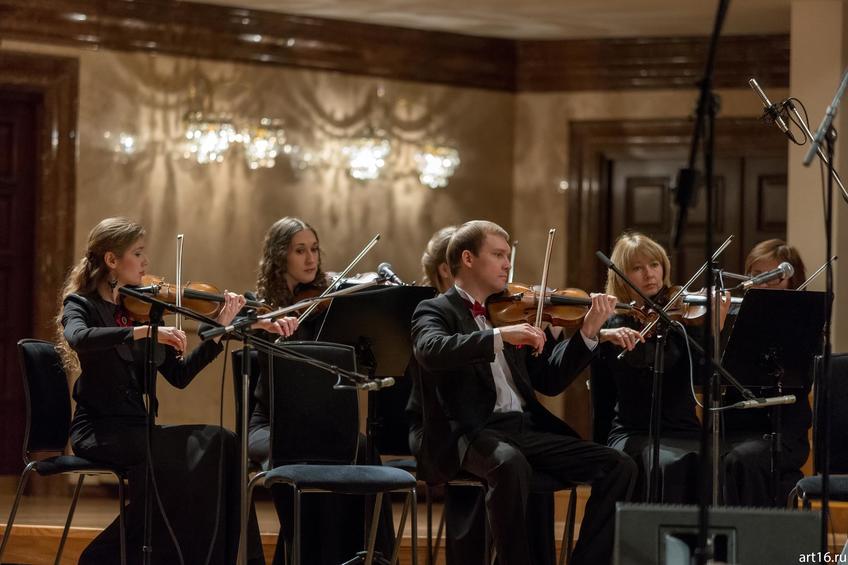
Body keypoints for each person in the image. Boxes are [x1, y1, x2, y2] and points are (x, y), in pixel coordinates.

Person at [59, 217, 295, 565]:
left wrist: (221, 331)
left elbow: (180, 375)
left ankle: (236, 558)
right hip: (99, 432)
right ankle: (103, 557)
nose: (146, 263)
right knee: (194, 461)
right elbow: (79, 337)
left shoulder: (142, 310)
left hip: (139, 429)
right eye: (137, 253)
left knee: (226, 443)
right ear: (111, 260)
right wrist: (142, 333)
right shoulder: (82, 305)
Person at [410, 220, 637, 565]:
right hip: (469, 430)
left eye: (507, 255)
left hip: (522, 429)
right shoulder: (436, 309)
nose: (507, 264)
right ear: (468, 259)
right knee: (509, 463)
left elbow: (549, 380)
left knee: (619, 466)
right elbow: (430, 350)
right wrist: (500, 337)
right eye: (498, 255)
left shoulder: (509, 312)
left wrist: (588, 332)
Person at [247, 216, 393, 565]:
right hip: (271, 426)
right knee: (310, 451)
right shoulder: (263, 310)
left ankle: (372, 555)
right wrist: (269, 326)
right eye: (300, 251)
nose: (311, 258)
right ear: (280, 256)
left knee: (362, 448)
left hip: (321, 426)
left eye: (314, 249)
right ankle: (309, 555)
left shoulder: (328, 305)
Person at [591, 231, 730, 504]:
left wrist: (715, 332)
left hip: (684, 429)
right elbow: (640, 369)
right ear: (621, 276)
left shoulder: (683, 317)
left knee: (714, 462)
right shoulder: (612, 324)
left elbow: (704, 375)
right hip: (634, 431)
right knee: (665, 463)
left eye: (654, 264)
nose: (649, 274)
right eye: (637, 268)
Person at [721, 238, 811, 506]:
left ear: (792, 281)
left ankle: (753, 531)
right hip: (736, 427)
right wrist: (717, 330)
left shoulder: (804, 322)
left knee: (743, 460)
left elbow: (803, 378)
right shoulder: (730, 319)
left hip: (783, 432)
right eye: (757, 275)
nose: (763, 284)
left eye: (774, 277)